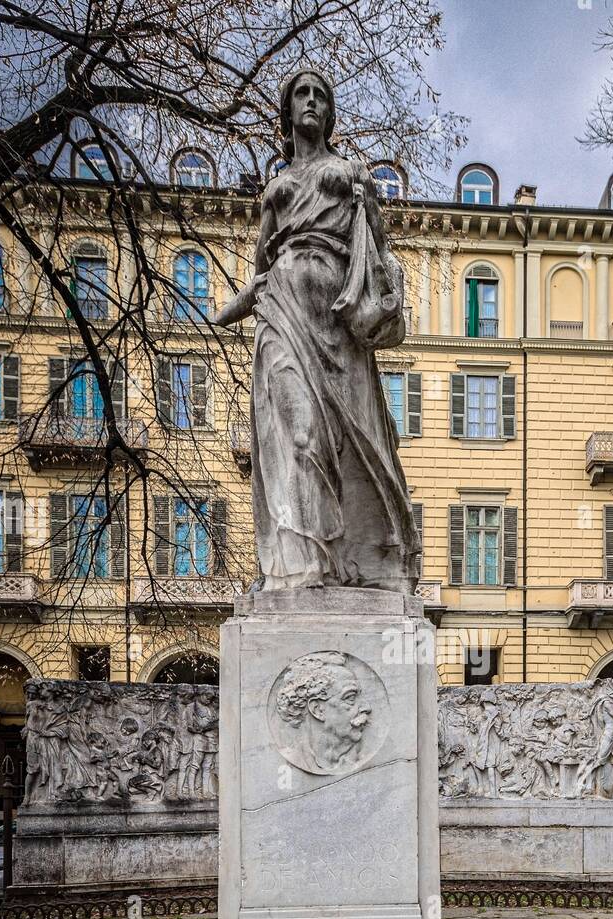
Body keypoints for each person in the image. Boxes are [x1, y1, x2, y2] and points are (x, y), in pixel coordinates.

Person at [215, 70, 419, 593]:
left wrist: (369, 209)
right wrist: (237, 304)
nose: (311, 101)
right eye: (301, 94)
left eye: (320, 95)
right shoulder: (275, 189)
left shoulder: (349, 170)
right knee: (297, 436)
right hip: (282, 311)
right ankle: (303, 566)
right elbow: (262, 261)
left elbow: (375, 244)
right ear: (288, 111)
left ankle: (354, 559)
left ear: (330, 112)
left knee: (351, 440)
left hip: (338, 316)